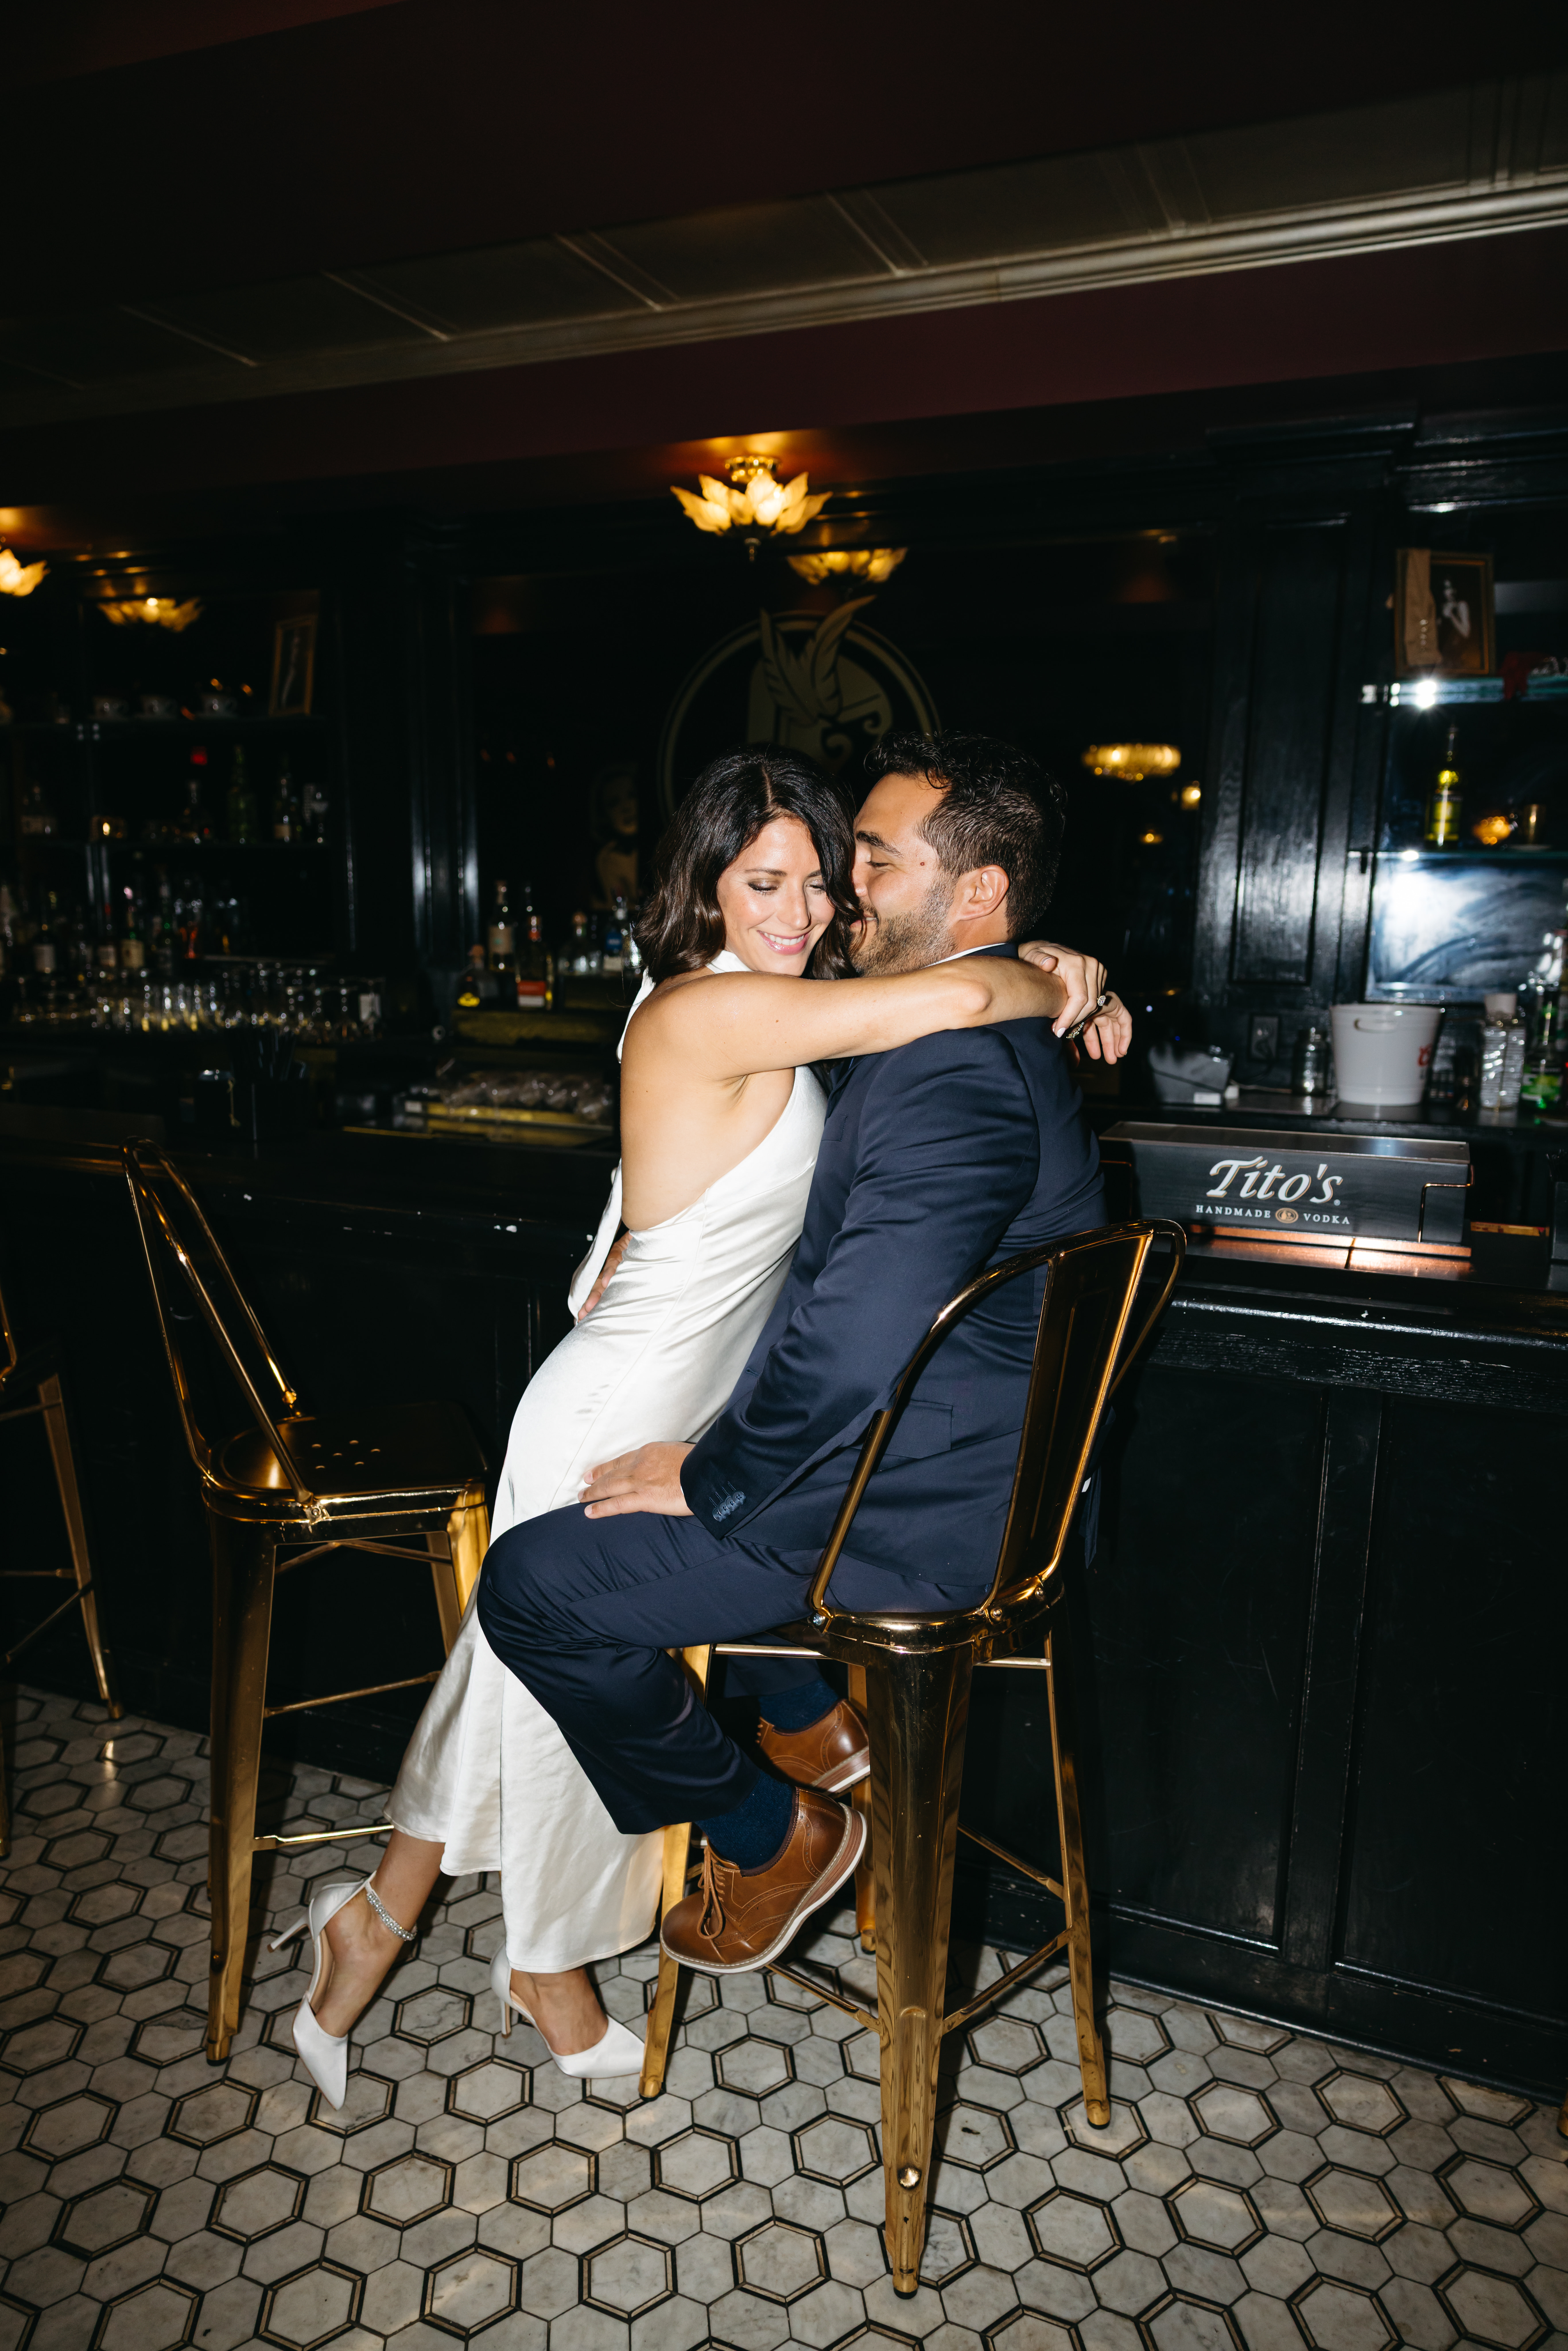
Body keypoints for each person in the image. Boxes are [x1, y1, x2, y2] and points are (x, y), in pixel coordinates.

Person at [277, 742, 1127, 2101]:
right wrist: (1045, 971)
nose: (813, 905)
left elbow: (926, 1007)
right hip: (633, 1400)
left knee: (520, 1653)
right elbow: (966, 983)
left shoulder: (833, 1005)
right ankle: (531, 1955)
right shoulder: (727, 1008)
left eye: (843, 872)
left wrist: (1050, 960)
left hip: (719, 1404)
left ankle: (397, 1924)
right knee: (531, 1665)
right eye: (769, 880)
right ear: (705, 886)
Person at [475, 731, 1110, 1974]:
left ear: (976, 892)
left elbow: (856, 1340)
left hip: (913, 1514)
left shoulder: (948, 1073)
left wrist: (709, 1473)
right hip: (951, 1476)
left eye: (868, 859)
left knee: (529, 1590)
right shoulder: (928, 1028)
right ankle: (810, 1718)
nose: (841, 887)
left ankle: (775, 1832)